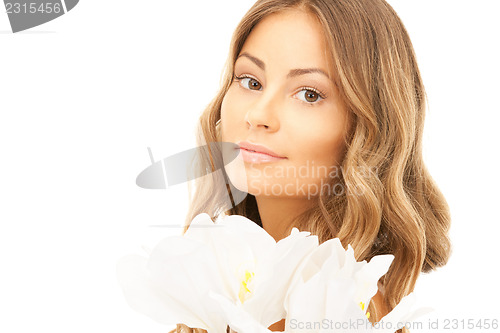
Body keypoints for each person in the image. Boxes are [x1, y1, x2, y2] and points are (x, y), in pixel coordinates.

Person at [171, 0, 451, 331]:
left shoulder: (343, 310)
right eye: (250, 81)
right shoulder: (223, 274)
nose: (258, 115)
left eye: (309, 94)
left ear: (369, 128)